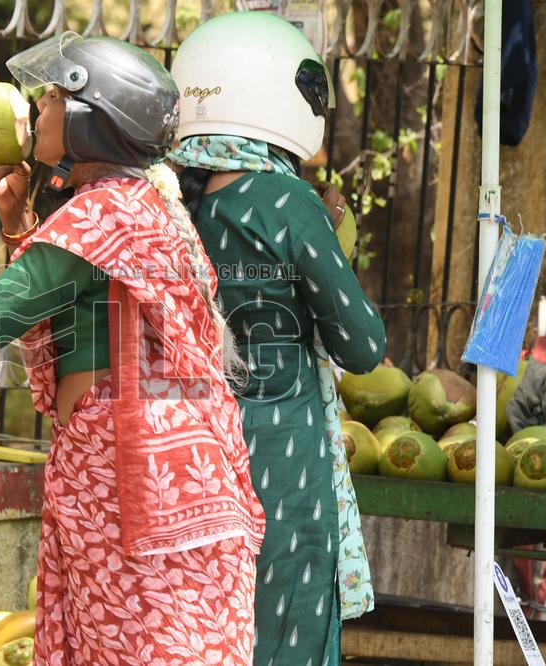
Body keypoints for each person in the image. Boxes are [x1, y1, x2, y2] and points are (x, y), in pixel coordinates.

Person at [0, 32, 265, 665]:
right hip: (185, 490)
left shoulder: (97, 217)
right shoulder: (145, 206)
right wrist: (18, 223)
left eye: (53, 97)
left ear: (89, 121)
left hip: (126, 499)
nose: (37, 107)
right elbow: (76, 309)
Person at [168, 12, 387, 666]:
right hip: (281, 470)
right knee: (285, 640)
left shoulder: (173, 202)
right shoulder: (288, 203)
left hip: (191, 463)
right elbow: (362, 346)